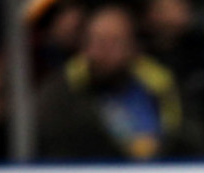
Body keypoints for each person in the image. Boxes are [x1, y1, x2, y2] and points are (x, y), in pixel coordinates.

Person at [35, 3, 191, 161]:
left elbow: (188, 137)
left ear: (133, 47)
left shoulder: (159, 85)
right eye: (97, 41)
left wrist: (160, 149)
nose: (103, 52)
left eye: (114, 42)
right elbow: (52, 145)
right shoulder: (62, 92)